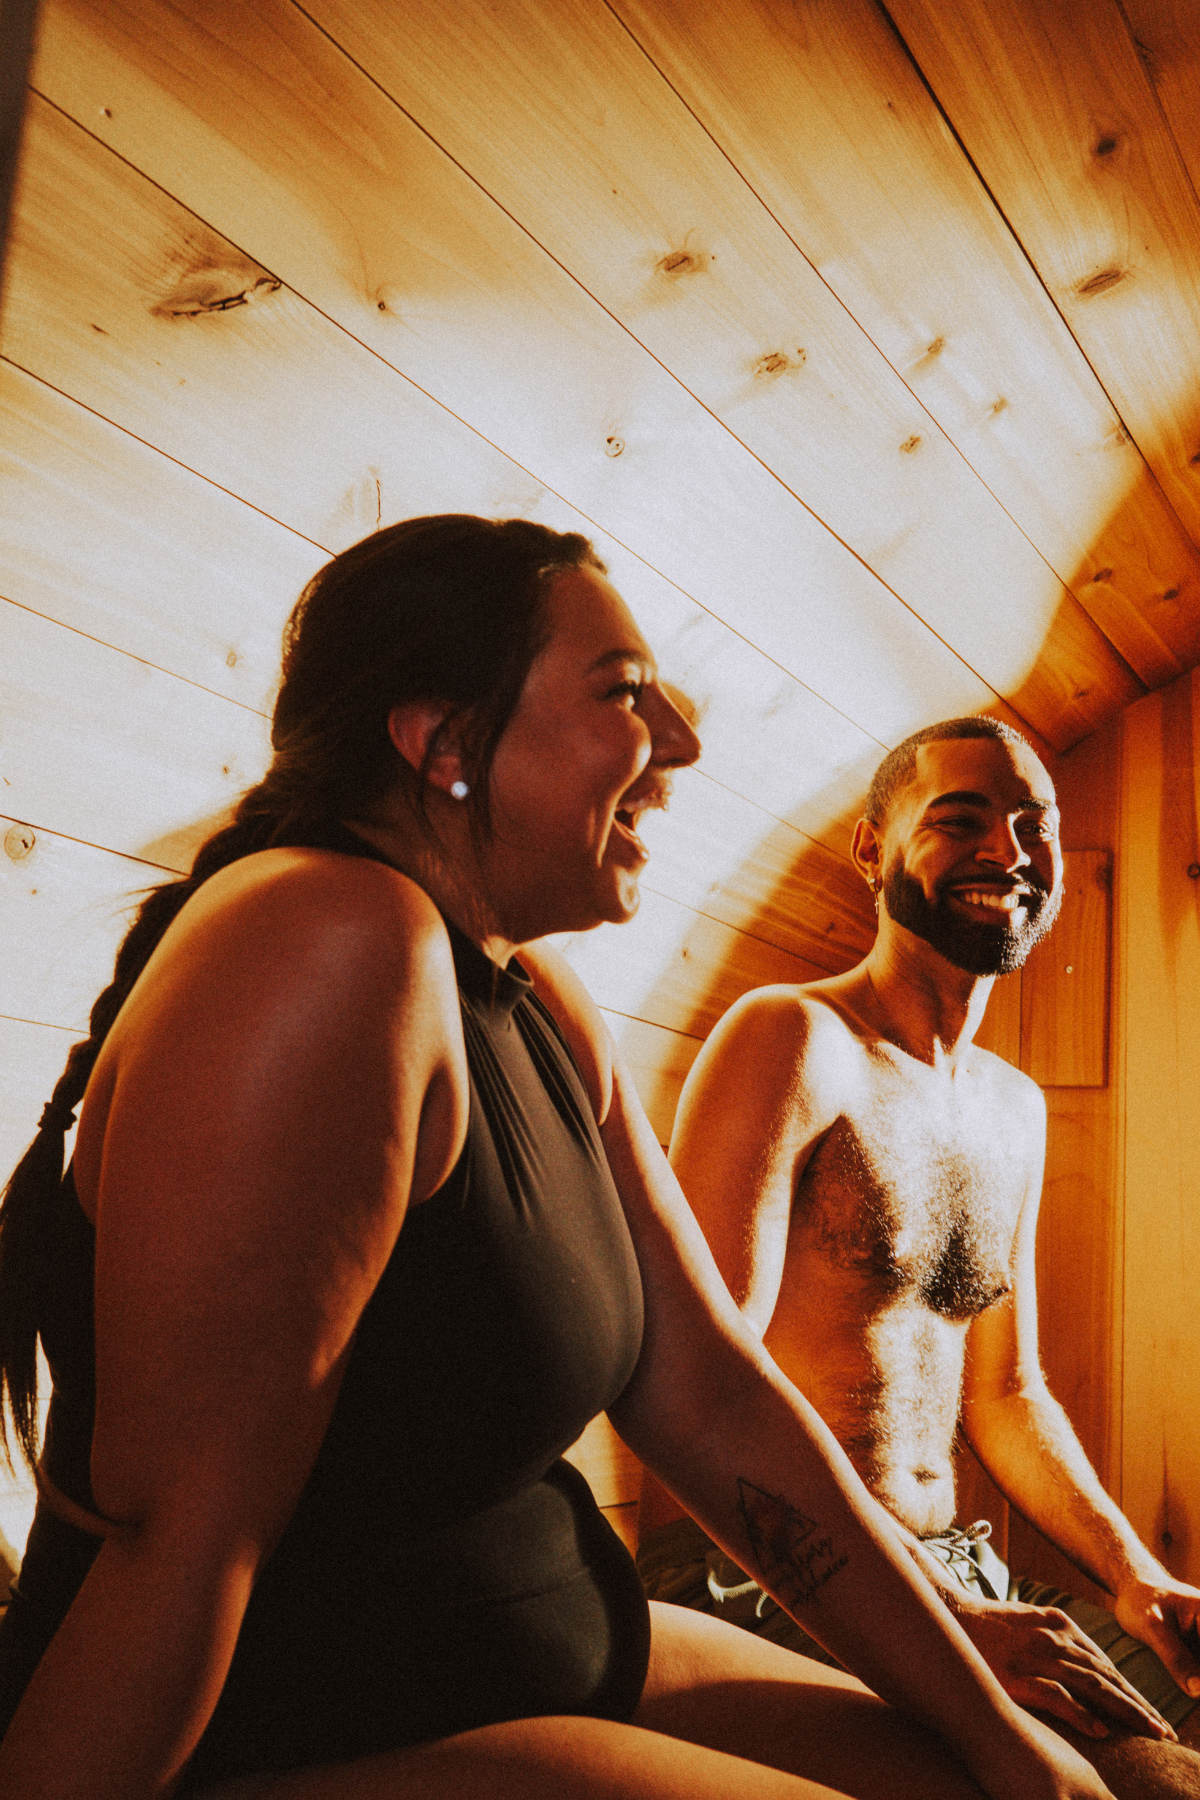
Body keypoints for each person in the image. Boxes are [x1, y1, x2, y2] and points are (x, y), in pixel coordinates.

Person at [0, 523, 1114, 1800]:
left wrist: (973, 1698)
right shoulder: (325, 938)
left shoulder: (536, 994)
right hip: (324, 1709)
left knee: (1054, 1787)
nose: (684, 739)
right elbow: (176, 1539)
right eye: (627, 692)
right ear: (448, 744)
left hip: (546, 1637)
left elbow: (713, 1397)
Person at [637, 716, 1200, 1799]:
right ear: (872, 850)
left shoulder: (1010, 1107)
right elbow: (705, 1381)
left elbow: (1009, 1391)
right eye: (962, 819)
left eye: (1034, 825)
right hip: (768, 1575)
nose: (1008, 850)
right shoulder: (792, 1041)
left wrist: (1138, 1578)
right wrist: (933, 1617)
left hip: (953, 1570)